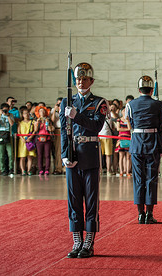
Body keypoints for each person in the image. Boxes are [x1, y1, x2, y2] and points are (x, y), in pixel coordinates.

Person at [60, 62, 107, 258]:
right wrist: (64, 154)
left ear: (91, 81)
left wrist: (77, 116)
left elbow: (96, 127)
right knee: (74, 200)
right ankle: (77, 240)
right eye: (78, 79)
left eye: (84, 78)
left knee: (91, 200)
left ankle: (89, 241)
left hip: (90, 153)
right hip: (73, 153)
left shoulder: (99, 102)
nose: (80, 82)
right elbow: (64, 130)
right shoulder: (67, 102)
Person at [126, 75, 162, 224]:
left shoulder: (131, 104)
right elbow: (160, 127)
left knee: (138, 179)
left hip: (136, 144)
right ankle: (149, 213)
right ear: (151, 90)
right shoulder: (158, 104)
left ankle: (140, 213)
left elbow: (129, 121)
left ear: (138, 90)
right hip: (153, 143)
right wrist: (161, 146)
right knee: (151, 179)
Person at [0, 103, 15, 176]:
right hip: (0, 135)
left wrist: (8, 116)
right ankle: (3, 169)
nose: (5, 110)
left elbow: (12, 124)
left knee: (10, 154)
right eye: (4, 109)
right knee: (1, 154)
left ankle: (11, 169)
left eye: (7, 109)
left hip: (8, 135)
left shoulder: (10, 115)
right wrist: (0, 115)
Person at [34, 106, 54, 178]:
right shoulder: (36, 120)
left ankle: (47, 169)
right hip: (39, 138)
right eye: (40, 111)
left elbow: (51, 129)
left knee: (47, 155)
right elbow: (36, 130)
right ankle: (40, 169)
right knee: (39, 155)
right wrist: (37, 123)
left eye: (43, 111)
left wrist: (47, 123)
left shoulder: (48, 120)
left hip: (47, 138)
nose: (42, 113)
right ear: (38, 113)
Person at [17, 108, 36, 176]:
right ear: (22, 115)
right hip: (22, 141)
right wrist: (22, 138)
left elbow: (34, 130)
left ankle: (29, 170)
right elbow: (18, 132)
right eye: (25, 113)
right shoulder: (20, 123)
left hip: (30, 140)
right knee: (22, 157)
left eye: (28, 113)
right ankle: (23, 170)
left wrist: (31, 137)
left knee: (30, 156)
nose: (27, 115)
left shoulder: (32, 122)